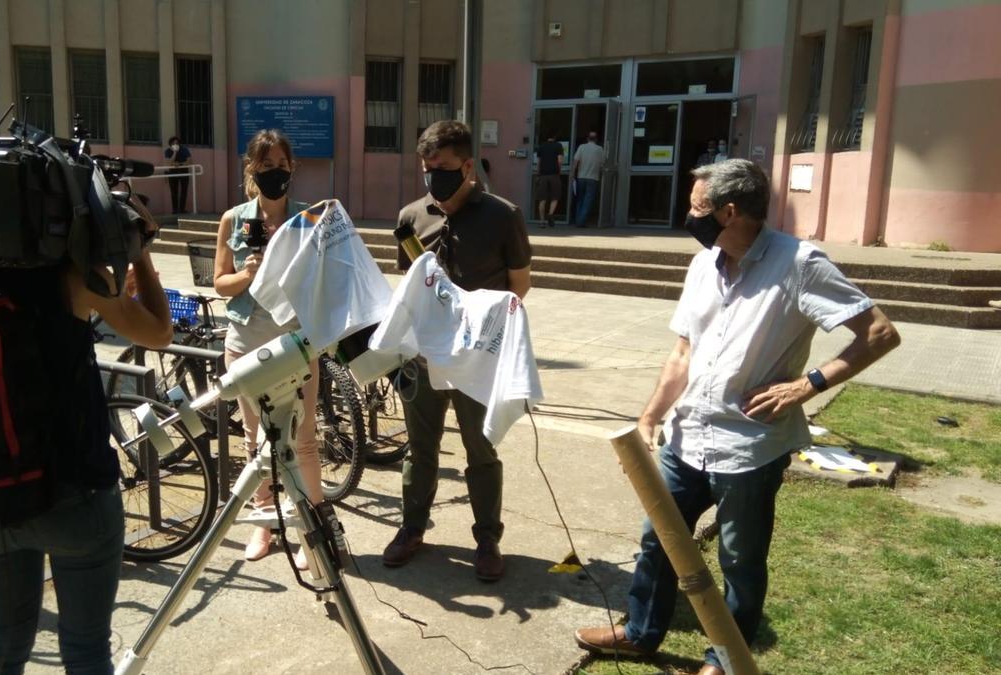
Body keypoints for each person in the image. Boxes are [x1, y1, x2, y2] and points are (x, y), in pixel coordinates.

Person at [573, 159, 901, 675]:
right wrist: (650, 415)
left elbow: (880, 333)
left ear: (729, 211)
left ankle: (725, 660)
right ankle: (640, 634)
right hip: (686, 438)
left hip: (749, 447)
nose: (688, 215)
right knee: (657, 538)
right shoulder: (704, 263)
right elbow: (683, 351)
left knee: (739, 562)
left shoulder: (800, 264)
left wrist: (806, 384)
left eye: (697, 206)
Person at [0, 124, 173, 673]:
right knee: (83, 651)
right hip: (75, 492)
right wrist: (138, 252)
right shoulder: (74, 280)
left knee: (1, 648)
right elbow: (157, 333)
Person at [382, 120, 532, 582]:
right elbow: (410, 283)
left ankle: (487, 538)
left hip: (475, 363)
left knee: (480, 451)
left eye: (444, 168)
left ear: (469, 166)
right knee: (419, 449)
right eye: (428, 169)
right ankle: (412, 528)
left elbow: (518, 288)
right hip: (424, 358)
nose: (434, 177)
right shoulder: (412, 216)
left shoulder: (503, 215)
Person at [213, 128, 323, 568]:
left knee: (304, 440)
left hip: (296, 346)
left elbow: (322, 281)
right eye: (266, 166)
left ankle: (310, 525)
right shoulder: (233, 219)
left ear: (291, 169)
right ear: (251, 170)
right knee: (256, 442)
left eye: (281, 165)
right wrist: (248, 273)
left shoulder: (308, 219)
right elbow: (221, 284)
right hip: (245, 345)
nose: (275, 173)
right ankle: (266, 522)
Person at [569, 132, 604, 227]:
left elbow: (576, 161)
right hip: (593, 178)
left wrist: (572, 174)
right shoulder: (600, 149)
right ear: (596, 139)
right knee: (588, 201)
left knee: (580, 199)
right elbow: (602, 164)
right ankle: (581, 222)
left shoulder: (581, 147)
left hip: (581, 177)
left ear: (587, 138)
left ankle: (578, 220)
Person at [534, 134, 563, 228]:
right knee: (555, 197)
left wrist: (538, 174)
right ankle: (550, 214)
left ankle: (542, 222)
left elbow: (538, 162)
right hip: (554, 174)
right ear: (555, 137)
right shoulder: (558, 146)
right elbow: (559, 161)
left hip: (543, 175)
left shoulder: (541, 146)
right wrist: (559, 171)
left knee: (542, 199)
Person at [164, 135, 192, 214]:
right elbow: (169, 163)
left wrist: (179, 164)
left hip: (183, 171)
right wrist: (174, 152)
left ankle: (182, 209)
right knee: (174, 192)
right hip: (172, 172)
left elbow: (189, 161)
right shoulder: (168, 151)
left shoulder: (184, 149)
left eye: (177, 143)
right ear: (170, 145)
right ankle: (175, 210)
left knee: (184, 191)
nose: (175, 145)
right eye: (173, 143)